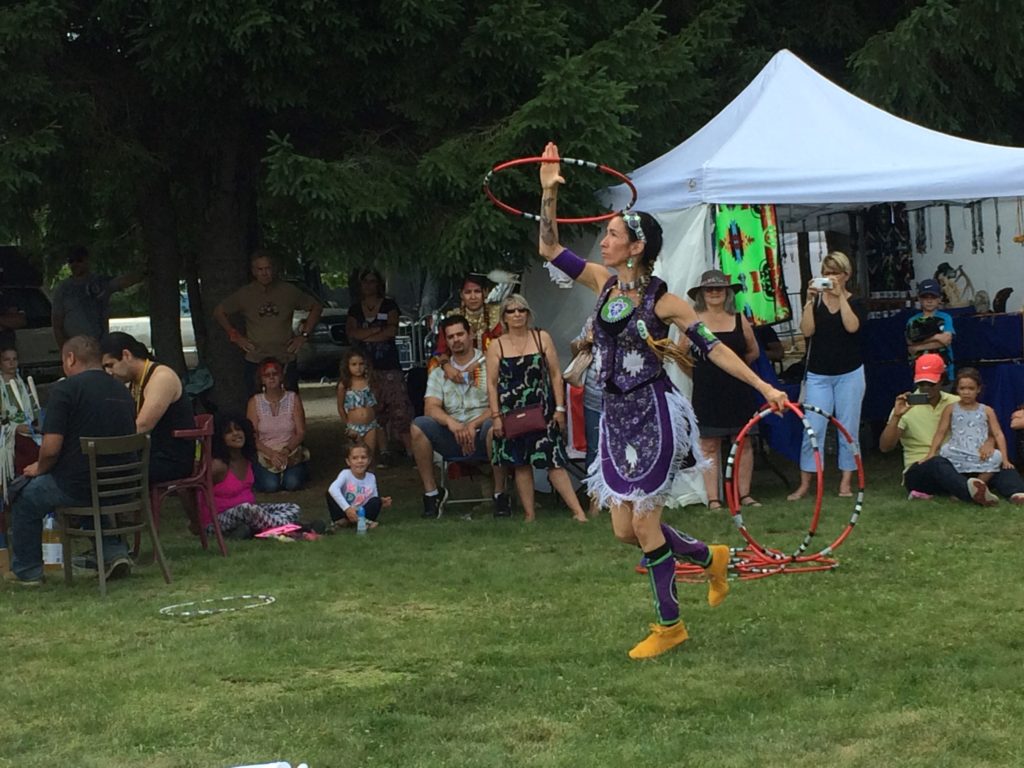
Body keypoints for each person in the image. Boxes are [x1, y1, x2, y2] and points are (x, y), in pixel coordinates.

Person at [536, 142, 788, 659]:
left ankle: (670, 626)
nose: (602, 241)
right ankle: (708, 556)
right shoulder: (604, 285)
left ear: (636, 247)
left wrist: (764, 386)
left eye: (611, 235)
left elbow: (715, 351)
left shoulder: (666, 302)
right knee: (625, 530)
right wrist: (547, 194)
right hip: (614, 418)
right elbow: (548, 248)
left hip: (653, 413)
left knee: (646, 524)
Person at [5, 336, 137, 585]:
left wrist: (39, 467)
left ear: (70, 358)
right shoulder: (122, 390)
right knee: (85, 491)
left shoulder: (66, 389)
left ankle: (28, 571)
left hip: (79, 484)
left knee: (25, 494)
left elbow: (51, 448)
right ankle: (114, 552)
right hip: (123, 485)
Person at [487, 294, 588, 524]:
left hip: (543, 411)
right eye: (511, 311)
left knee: (554, 462)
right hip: (511, 413)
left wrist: (560, 408)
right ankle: (529, 515)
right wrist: (496, 417)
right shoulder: (497, 346)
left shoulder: (542, 337)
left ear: (528, 313)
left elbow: (555, 374)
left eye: (521, 310)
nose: (517, 315)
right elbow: (492, 385)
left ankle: (578, 512)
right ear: (504, 316)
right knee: (521, 464)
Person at [878, 353, 1024, 504]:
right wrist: (896, 416)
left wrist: (989, 441)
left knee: (998, 460)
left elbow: (985, 428)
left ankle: (1016, 492)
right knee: (937, 461)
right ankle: (972, 493)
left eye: (931, 383)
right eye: (921, 384)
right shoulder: (905, 406)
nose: (926, 389)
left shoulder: (958, 402)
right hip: (922, 468)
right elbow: (885, 447)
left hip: (960, 463)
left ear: (942, 380)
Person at [412, 315, 509, 518]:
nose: (456, 340)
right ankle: (432, 494)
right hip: (453, 433)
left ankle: (500, 494)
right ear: (446, 341)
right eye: (450, 337)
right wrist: (452, 423)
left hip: (483, 430)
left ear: (471, 334)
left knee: (495, 426)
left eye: (460, 334)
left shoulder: (489, 363)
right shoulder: (439, 372)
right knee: (418, 426)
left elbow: (499, 403)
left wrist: (473, 425)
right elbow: (430, 407)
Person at [787, 251, 866, 500]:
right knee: (813, 428)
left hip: (850, 373)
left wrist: (840, 296)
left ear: (846, 275)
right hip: (818, 374)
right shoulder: (816, 302)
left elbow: (852, 327)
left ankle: (845, 481)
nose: (830, 277)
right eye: (827, 272)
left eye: (835, 273)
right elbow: (807, 331)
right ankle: (807, 483)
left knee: (848, 427)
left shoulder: (856, 301)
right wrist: (810, 301)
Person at [687, 270, 762, 509]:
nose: (714, 292)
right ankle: (713, 499)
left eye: (719, 288)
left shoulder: (740, 319)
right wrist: (698, 373)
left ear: (727, 292)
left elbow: (753, 351)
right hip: (707, 391)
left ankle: (744, 495)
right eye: (709, 289)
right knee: (709, 444)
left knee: (743, 441)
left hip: (738, 389)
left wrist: (737, 370)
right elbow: (680, 353)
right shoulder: (693, 322)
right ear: (702, 294)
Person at [213, 249, 322, 394]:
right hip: (256, 358)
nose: (264, 273)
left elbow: (316, 306)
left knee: (289, 402)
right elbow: (219, 312)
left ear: (274, 269)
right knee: (256, 404)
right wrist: (236, 336)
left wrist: (303, 335)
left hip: (285, 357)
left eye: (267, 268)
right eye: (260, 269)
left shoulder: (288, 291)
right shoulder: (245, 294)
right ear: (253, 271)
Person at [99, 332, 195, 485]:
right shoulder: (133, 382)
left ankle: (130, 508)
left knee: (105, 472)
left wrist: (111, 449)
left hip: (170, 459)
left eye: (110, 365)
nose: (108, 373)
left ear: (126, 355)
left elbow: (142, 426)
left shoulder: (162, 377)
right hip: (149, 454)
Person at [198, 411, 301, 539]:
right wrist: (195, 522)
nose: (236, 433)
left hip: (250, 515)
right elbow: (193, 490)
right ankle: (297, 529)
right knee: (247, 509)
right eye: (229, 432)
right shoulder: (218, 465)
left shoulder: (247, 460)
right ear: (220, 438)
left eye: (239, 429)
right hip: (216, 521)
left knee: (292, 507)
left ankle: (253, 531)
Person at [345, 268, 413, 459]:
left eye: (372, 281)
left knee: (399, 408)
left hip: (389, 365)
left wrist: (365, 334)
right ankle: (383, 452)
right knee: (375, 411)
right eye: (365, 281)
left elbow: (392, 331)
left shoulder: (389, 305)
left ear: (379, 284)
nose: (369, 285)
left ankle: (410, 451)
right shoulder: (355, 309)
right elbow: (352, 333)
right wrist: (377, 331)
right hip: (365, 368)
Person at [921, 367, 1018, 493]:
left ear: (978, 389)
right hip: (958, 449)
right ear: (957, 390)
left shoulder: (987, 410)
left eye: (971, 389)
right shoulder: (950, 409)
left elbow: (998, 433)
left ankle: (979, 485)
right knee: (945, 452)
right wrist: (931, 453)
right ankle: (962, 488)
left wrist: (1005, 459)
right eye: (962, 388)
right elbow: (941, 432)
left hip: (980, 452)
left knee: (996, 457)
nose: (966, 392)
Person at [51, 246, 142, 346]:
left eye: (79, 260)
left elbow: (122, 282)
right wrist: (63, 349)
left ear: (87, 261)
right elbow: (57, 324)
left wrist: (144, 272)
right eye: (71, 261)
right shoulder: (63, 289)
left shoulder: (100, 282)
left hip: (100, 345)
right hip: (76, 348)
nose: (75, 264)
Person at [247, 358, 309, 492]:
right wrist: (271, 454)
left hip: (290, 450)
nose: (271, 378)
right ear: (262, 379)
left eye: (275, 374)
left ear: (281, 376)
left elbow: (301, 432)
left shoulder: (293, 398)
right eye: (267, 375)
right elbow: (252, 435)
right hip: (265, 452)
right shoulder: (254, 402)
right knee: (271, 486)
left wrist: (286, 451)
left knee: (292, 484)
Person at [431, 274, 503, 381]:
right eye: (468, 292)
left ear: (485, 292)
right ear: (461, 294)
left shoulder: (497, 315)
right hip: (457, 366)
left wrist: (476, 364)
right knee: (433, 365)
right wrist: (447, 366)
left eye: (477, 291)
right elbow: (442, 350)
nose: (473, 297)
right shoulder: (452, 316)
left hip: (491, 364)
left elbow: (501, 348)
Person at [570, 316, 602, 517]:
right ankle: (595, 501)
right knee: (594, 449)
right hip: (594, 395)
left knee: (625, 450)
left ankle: (626, 499)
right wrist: (583, 343)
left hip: (624, 397)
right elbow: (575, 348)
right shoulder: (594, 320)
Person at [0, 344, 41, 487]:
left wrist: (34, 426)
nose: (11, 363)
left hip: (30, 431)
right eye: (7, 360)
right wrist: (16, 428)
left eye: (14, 359)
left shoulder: (23, 385)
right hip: (8, 436)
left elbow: (35, 410)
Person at [326, 441, 392, 529]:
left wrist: (381, 501)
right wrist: (347, 509)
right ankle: (342, 520)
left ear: (369, 460)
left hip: (361, 510)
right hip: (345, 510)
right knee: (330, 494)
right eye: (355, 458)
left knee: (375, 501)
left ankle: (361, 520)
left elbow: (372, 497)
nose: (359, 461)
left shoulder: (371, 477)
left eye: (363, 457)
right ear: (348, 461)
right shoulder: (345, 474)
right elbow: (332, 489)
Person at [336, 349, 382, 465]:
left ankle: (370, 480)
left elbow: (377, 402)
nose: (358, 368)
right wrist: (348, 425)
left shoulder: (370, 382)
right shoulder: (345, 385)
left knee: (369, 457)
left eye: (361, 364)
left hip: (370, 425)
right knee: (357, 457)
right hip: (354, 427)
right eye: (354, 364)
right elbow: (340, 407)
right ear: (347, 366)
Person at [905, 278, 955, 373]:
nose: (929, 301)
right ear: (919, 299)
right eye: (925, 297)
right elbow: (910, 341)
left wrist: (918, 346)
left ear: (939, 299)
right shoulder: (912, 320)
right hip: (921, 370)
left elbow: (946, 340)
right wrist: (937, 337)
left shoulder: (946, 317)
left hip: (944, 369)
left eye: (933, 297)